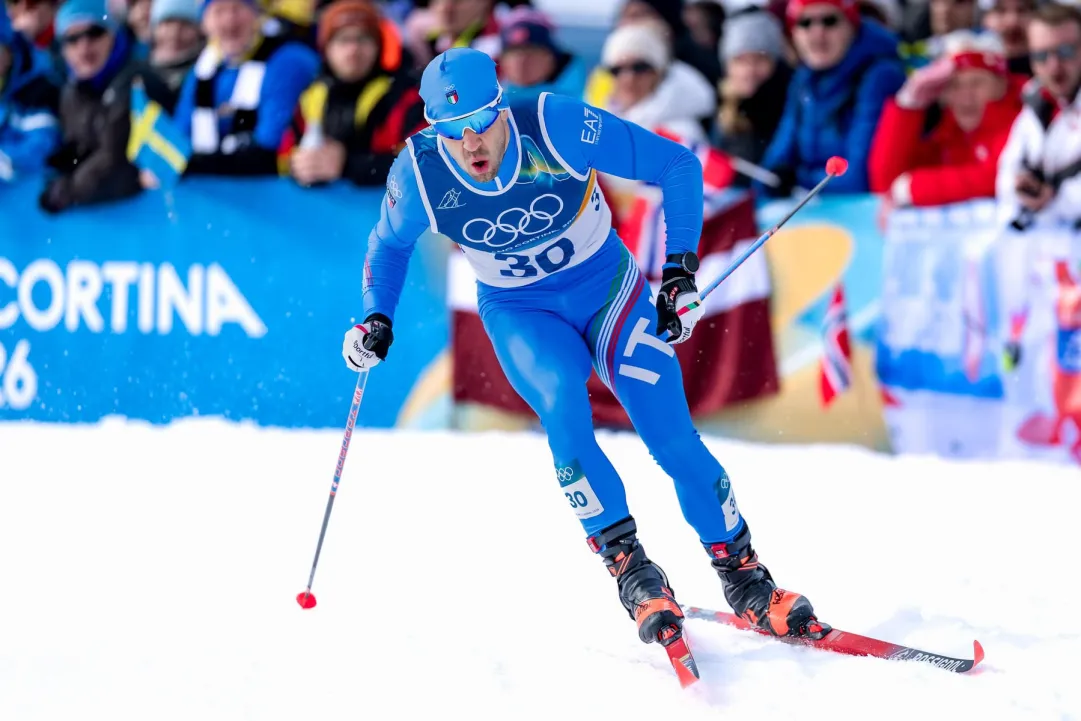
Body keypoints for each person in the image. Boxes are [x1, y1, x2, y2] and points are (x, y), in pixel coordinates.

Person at [341, 47, 828, 648]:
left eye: (481, 123)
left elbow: (677, 165)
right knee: (564, 414)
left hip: (610, 296)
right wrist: (375, 319)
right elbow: (387, 247)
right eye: (451, 131)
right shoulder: (417, 175)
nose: (470, 144)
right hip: (522, 314)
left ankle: (746, 578)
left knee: (672, 438)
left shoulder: (554, 124)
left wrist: (678, 273)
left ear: (502, 105)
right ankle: (633, 570)